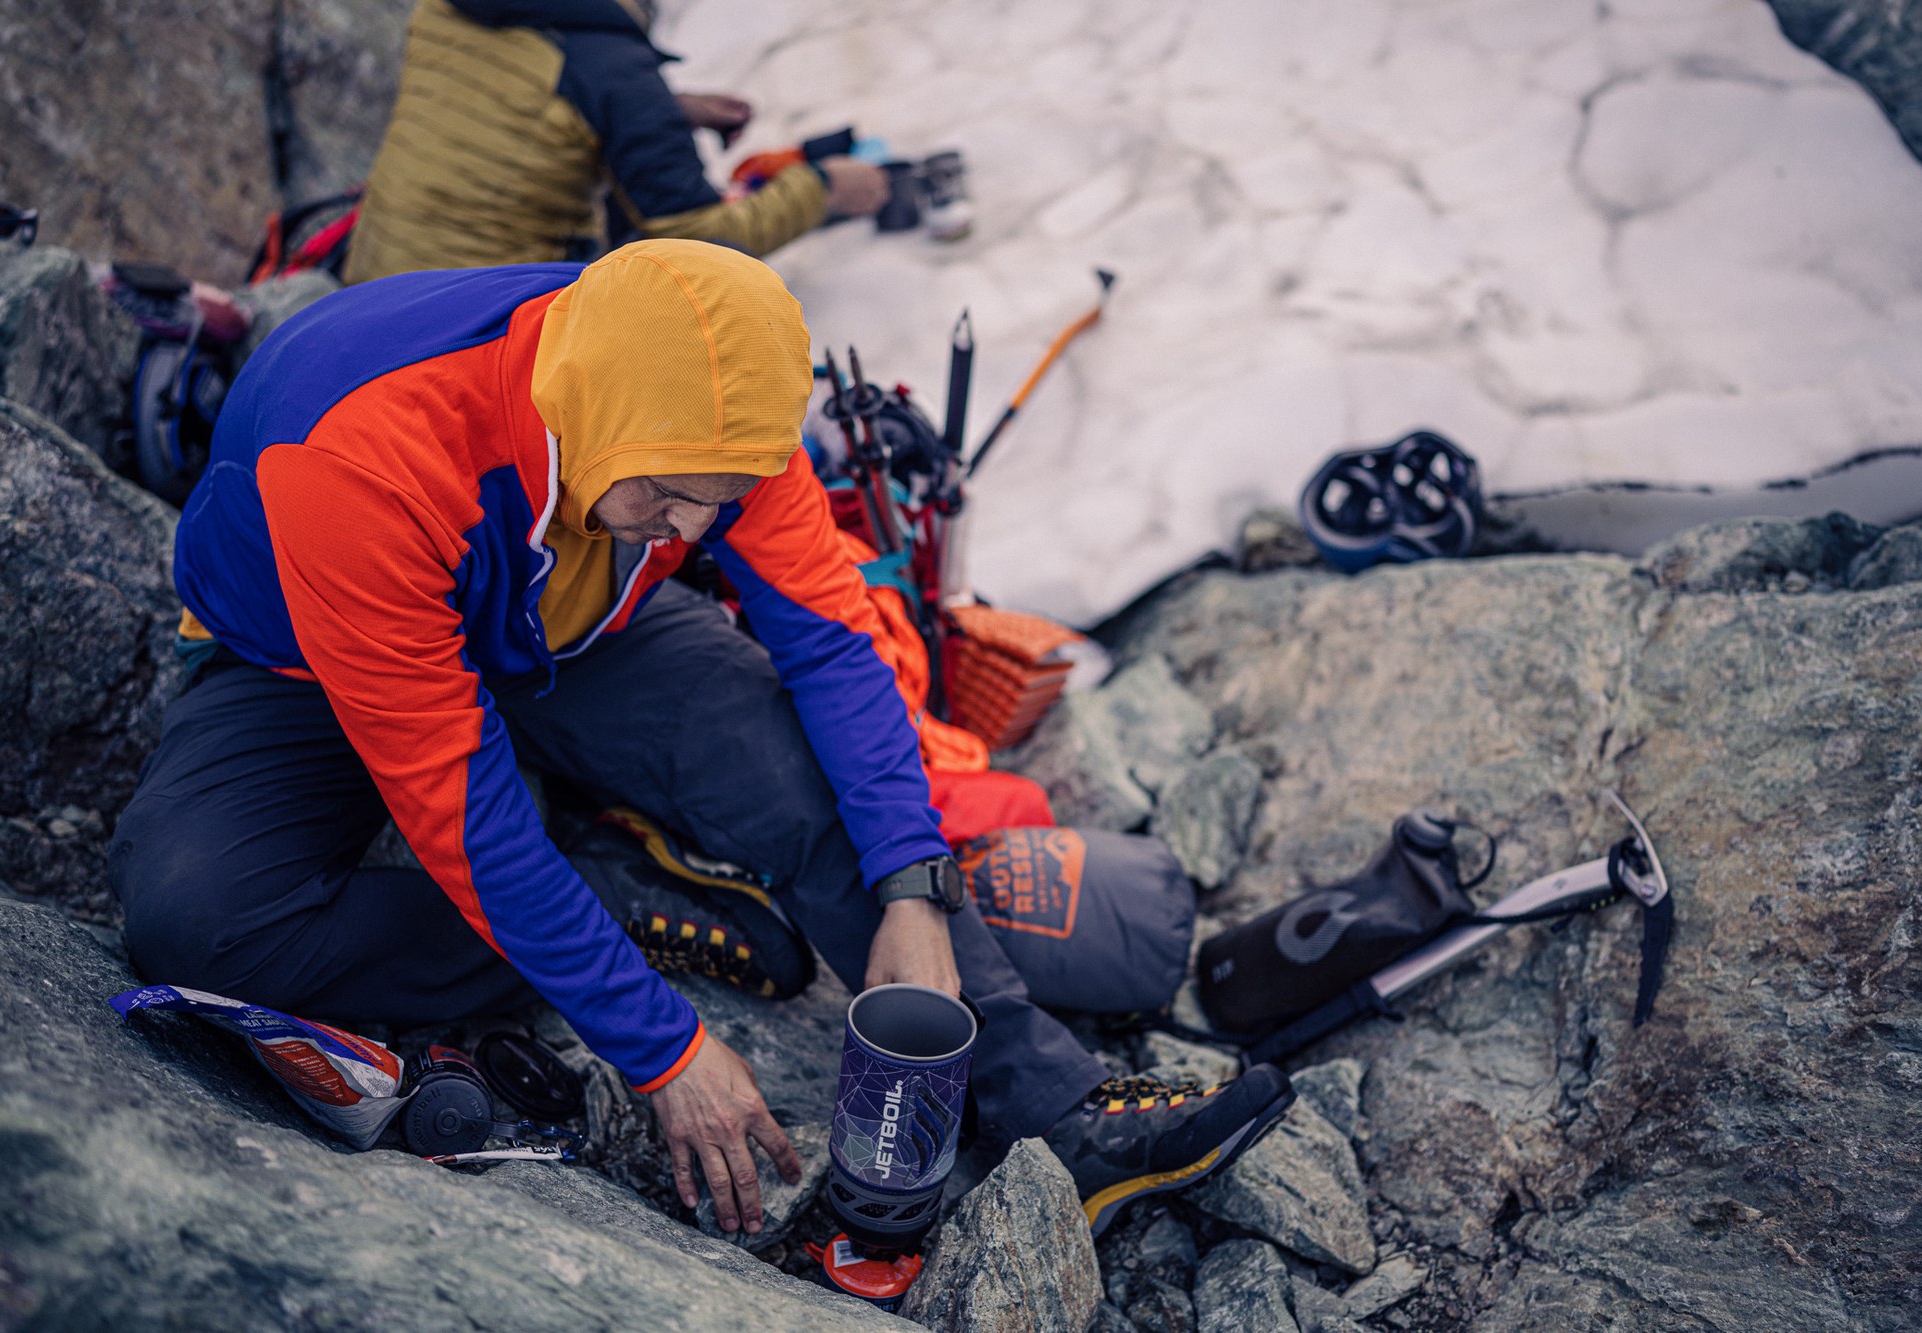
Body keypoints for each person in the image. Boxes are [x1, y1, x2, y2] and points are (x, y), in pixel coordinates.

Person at [108, 240, 1294, 1239]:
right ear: (597, 412)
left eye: (717, 502)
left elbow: (832, 642)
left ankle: (1056, 1109)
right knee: (197, 921)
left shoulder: (718, 399)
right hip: (307, 661)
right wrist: (662, 1048)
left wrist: (912, 884)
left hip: (575, 624)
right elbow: (460, 808)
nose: (693, 527)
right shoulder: (360, 454)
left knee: (803, 777)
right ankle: (610, 899)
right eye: (670, 497)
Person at [342, 0, 887, 283]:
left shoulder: (446, 8)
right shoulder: (615, 73)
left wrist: (659, 108)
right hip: (476, 331)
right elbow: (698, 240)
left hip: (368, 284)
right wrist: (823, 188)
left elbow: (513, 93)